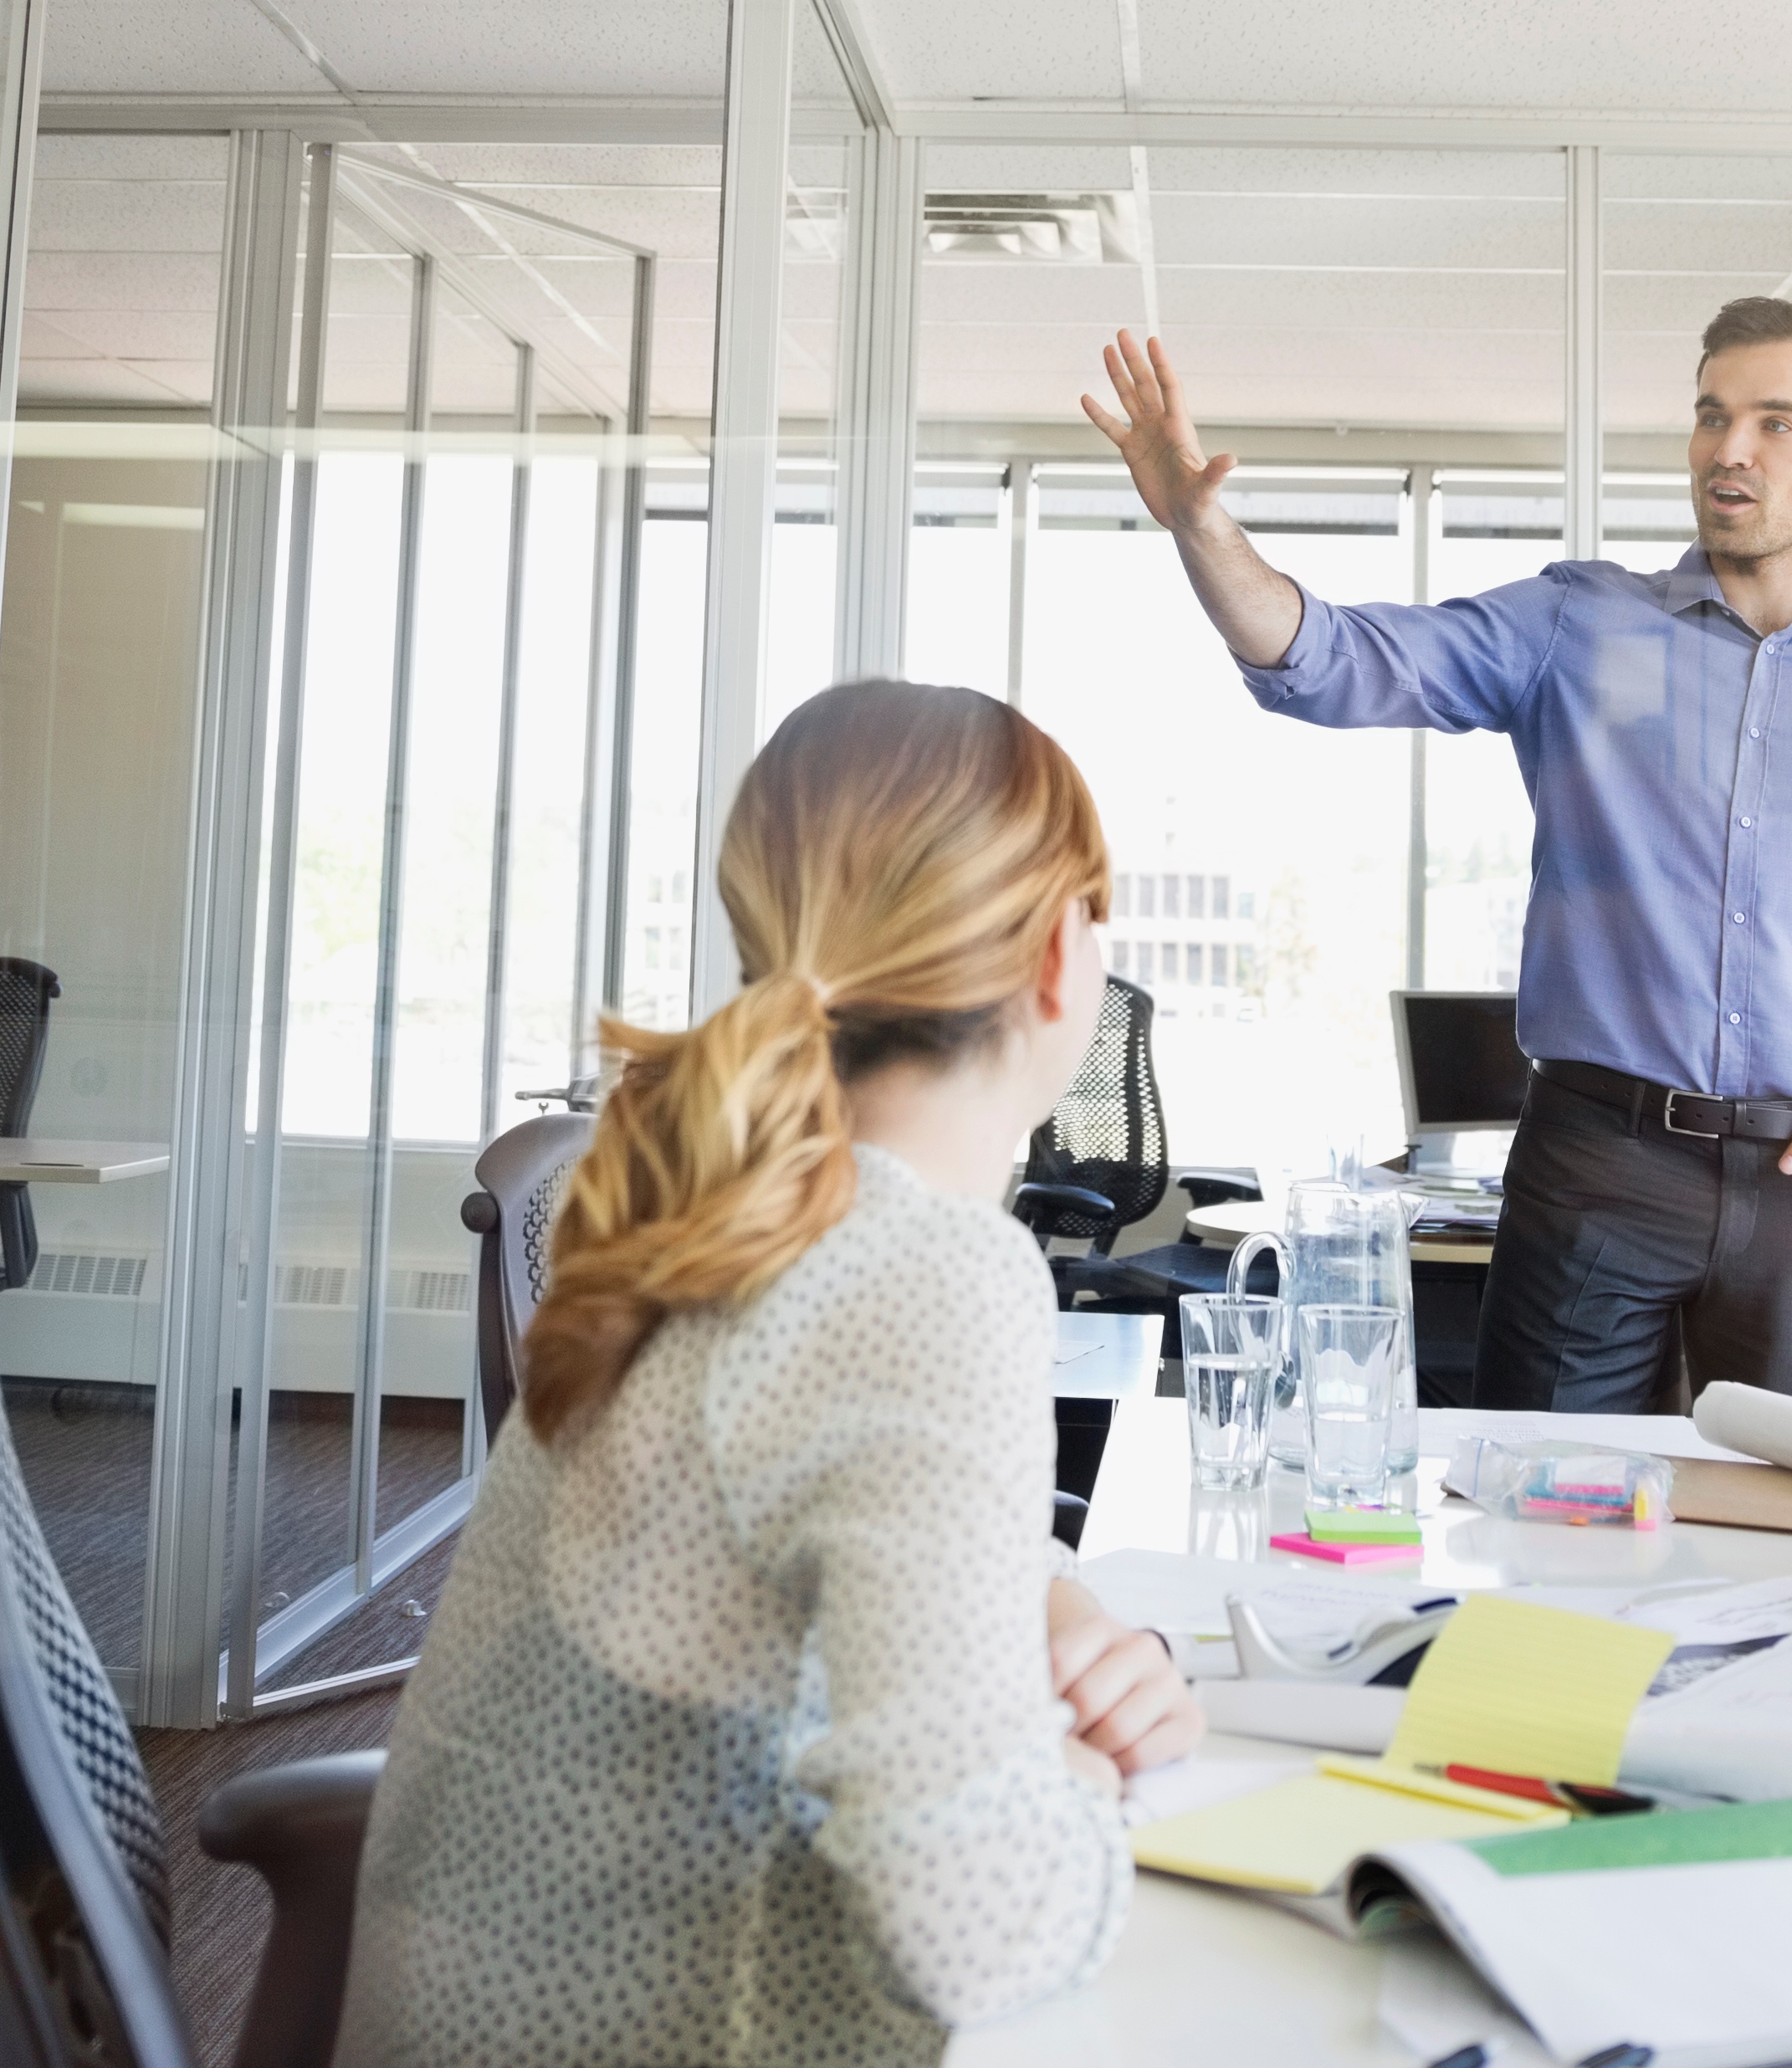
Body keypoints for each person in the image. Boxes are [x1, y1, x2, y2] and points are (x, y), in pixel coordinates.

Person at [338, 682, 1204, 2065]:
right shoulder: (923, 1273)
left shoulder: (734, 1201)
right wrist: (1079, 1782)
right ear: (1060, 953)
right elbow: (972, 1928)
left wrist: (1038, 1605)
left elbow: (739, 1531)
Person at [1081, 299, 1792, 1416]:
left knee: (1789, 1521)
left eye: (1775, 423)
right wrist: (1202, 530)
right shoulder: (1576, 625)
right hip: (1597, 1161)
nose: (1727, 449)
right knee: (1544, 1508)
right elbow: (1327, 661)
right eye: (1709, 416)